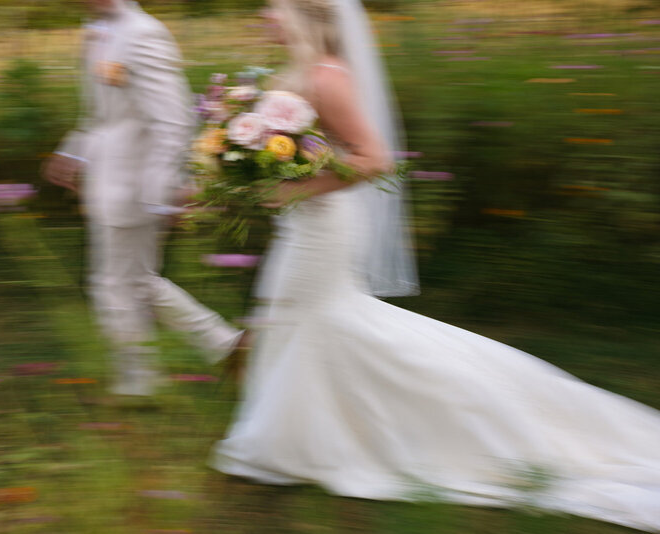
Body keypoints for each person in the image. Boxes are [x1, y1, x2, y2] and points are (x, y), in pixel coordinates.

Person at [210, 0, 660, 531]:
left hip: (324, 227)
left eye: (274, 6)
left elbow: (375, 159)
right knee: (297, 318)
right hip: (305, 223)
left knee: (319, 320)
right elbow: (309, 150)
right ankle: (302, 435)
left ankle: (339, 436)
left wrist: (295, 186)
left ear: (305, 13)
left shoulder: (329, 77)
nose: (265, 15)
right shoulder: (296, 73)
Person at [43, 0, 243, 397]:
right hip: (108, 180)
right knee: (127, 282)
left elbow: (173, 119)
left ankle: (144, 383)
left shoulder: (143, 33)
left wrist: (164, 191)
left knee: (118, 283)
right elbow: (101, 116)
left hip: (137, 183)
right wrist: (74, 151)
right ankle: (220, 348)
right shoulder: (98, 30)